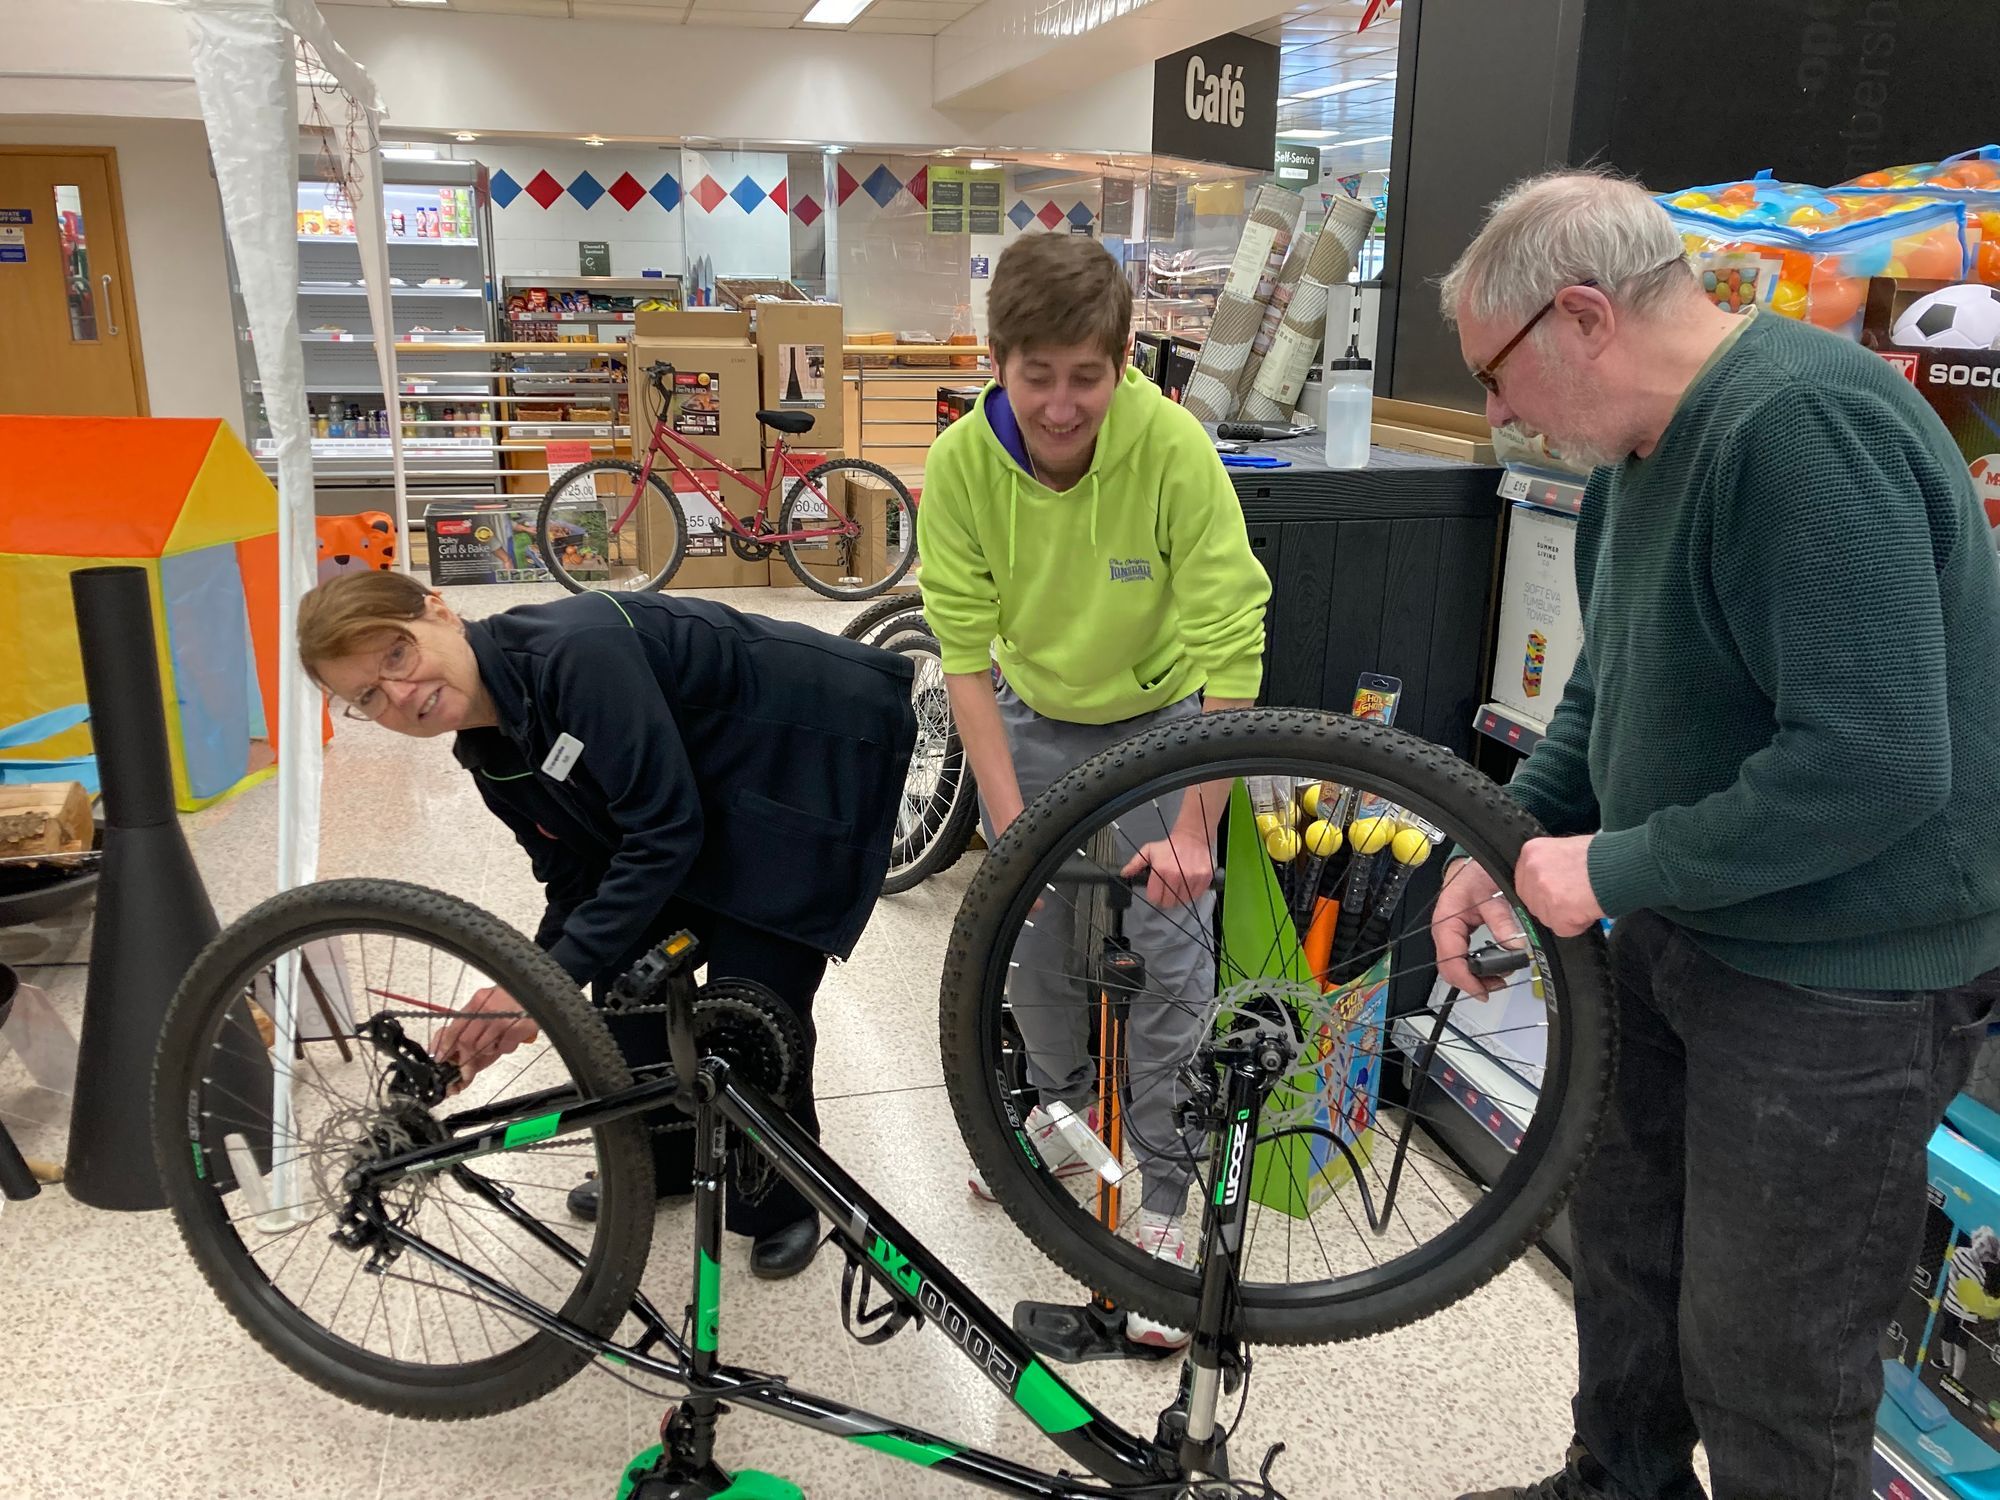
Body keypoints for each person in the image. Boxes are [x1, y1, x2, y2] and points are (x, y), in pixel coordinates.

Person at [1430, 169, 2000, 1499]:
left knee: (1773, 1351)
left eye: (1496, 374)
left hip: (1839, 976)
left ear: (1583, 317)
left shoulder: (1801, 427)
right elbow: (1608, 686)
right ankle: (1618, 1483)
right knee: (1631, 1263)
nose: (1497, 410)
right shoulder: (1641, 448)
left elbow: (1873, 769)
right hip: (1693, 927)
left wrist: (1611, 865)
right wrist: (1504, 836)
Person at [296, 573, 918, 1280]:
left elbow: (663, 831)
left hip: (801, 749)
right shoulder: (489, 752)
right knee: (622, 982)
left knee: (751, 1011)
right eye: (368, 697)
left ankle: (779, 1200)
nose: (399, 695)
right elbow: (577, 881)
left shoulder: (575, 654)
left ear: (439, 612)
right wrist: (530, 986)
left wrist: (537, 989)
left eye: (397, 656)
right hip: (692, 785)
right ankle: (662, 1160)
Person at [917, 232, 1272, 1349]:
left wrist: (1192, 827)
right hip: (1028, 711)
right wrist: (1007, 822)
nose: (1064, 405)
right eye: (1037, 377)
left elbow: (1232, 647)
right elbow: (961, 658)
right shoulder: (960, 467)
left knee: (1170, 957)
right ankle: (1060, 1126)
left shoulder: (1172, 450)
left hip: (1163, 719)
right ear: (998, 364)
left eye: (1088, 375)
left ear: (1124, 359)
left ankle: (1162, 1201)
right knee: (1027, 946)